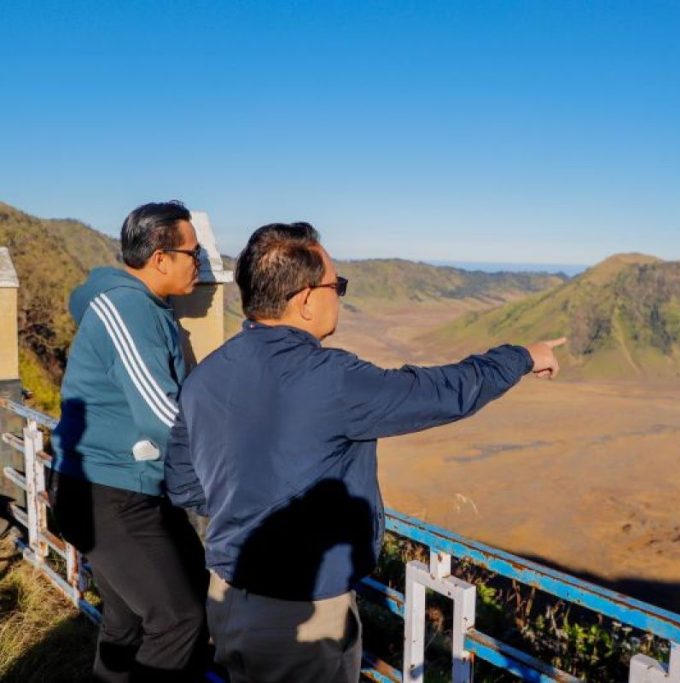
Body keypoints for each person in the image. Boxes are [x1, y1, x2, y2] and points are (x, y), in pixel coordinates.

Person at [165, 222, 564, 683]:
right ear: (307, 298)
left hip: (226, 597)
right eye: (338, 286)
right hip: (302, 614)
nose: (340, 297)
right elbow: (441, 393)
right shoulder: (330, 379)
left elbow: (184, 483)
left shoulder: (205, 377)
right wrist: (522, 356)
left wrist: (246, 507)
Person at [49, 201, 209, 682]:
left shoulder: (149, 306)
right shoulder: (129, 306)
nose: (198, 263)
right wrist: (226, 459)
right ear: (161, 257)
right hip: (108, 491)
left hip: (122, 486)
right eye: (192, 253)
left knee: (127, 622)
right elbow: (159, 410)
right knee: (178, 619)